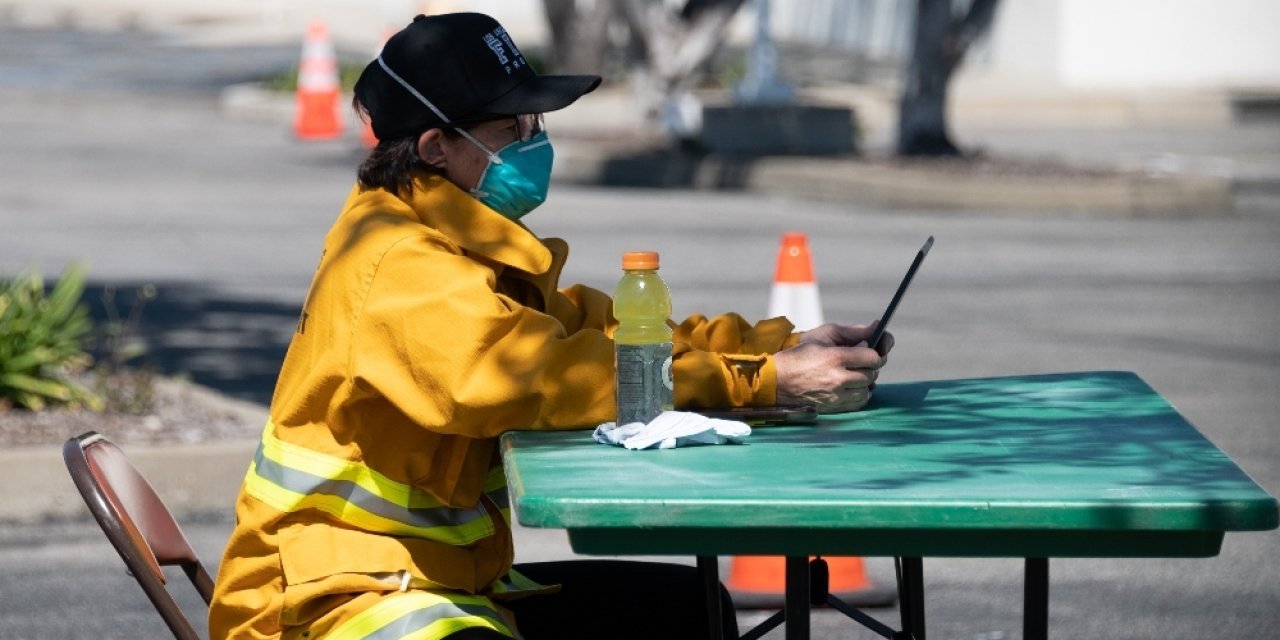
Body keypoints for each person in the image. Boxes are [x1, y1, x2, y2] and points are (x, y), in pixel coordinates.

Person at [209, 12, 892, 640]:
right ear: (436, 147)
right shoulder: (402, 265)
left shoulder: (460, 241)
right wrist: (761, 383)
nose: (535, 143)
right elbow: (545, 379)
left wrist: (776, 346)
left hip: (420, 578)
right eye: (513, 130)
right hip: (327, 602)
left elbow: (617, 335)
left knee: (689, 608)